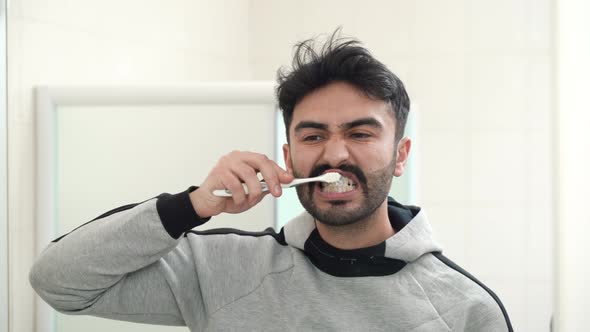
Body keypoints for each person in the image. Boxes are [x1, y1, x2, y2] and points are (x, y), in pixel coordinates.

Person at [30, 31, 513, 331]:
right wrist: (192, 206)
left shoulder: (465, 311)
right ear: (289, 156)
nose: (335, 153)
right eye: (314, 134)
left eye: (360, 133)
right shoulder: (221, 269)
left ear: (400, 155)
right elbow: (59, 283)